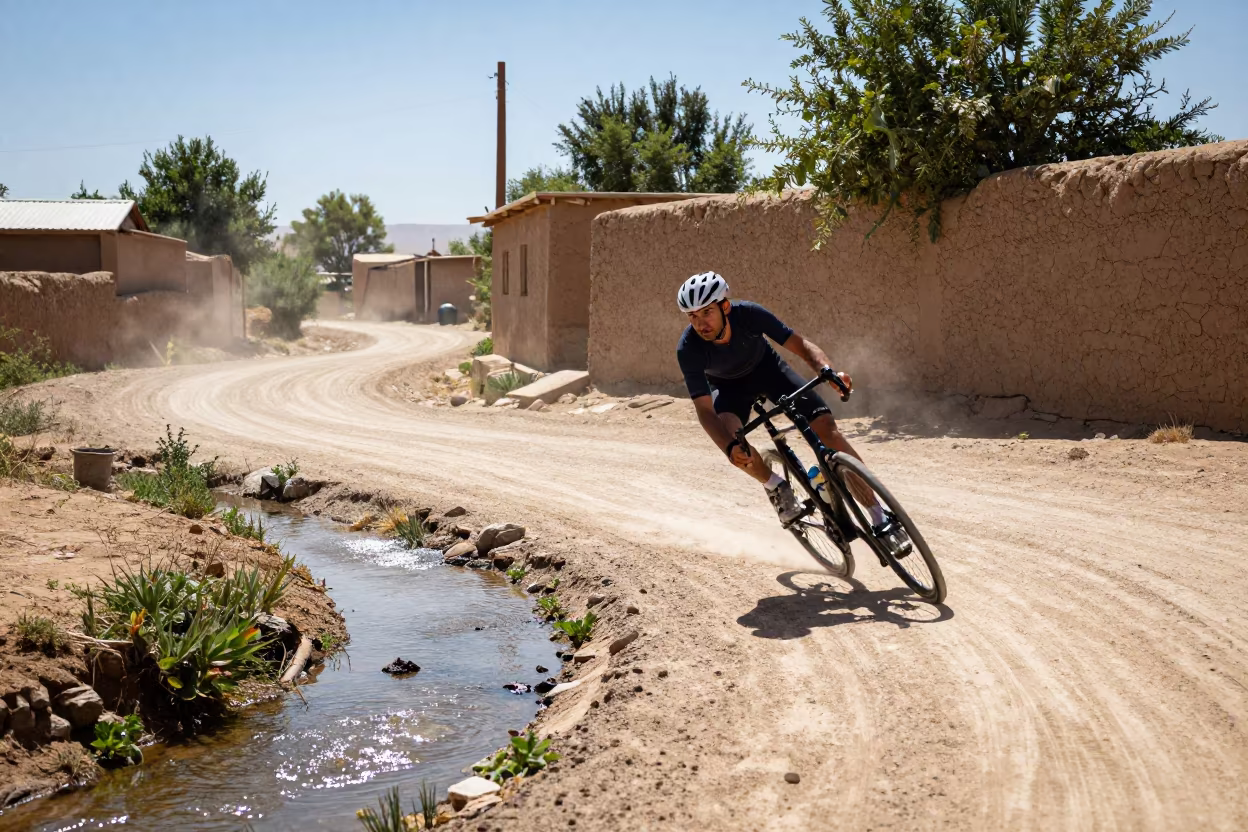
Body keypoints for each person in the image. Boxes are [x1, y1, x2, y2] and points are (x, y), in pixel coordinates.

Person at [675, 271, 907, 548]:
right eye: (693, 317)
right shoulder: (688, 349)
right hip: (729, 390)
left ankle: (879, 515)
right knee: (736, 444)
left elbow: (799, 344)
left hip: (769, 371)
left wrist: (827, 371)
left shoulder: (749, 314)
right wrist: (728, 447)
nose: (701, 323)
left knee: (827, 431)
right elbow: (704, 411)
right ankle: (775, 485)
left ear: (725, 306)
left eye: (706, 313)